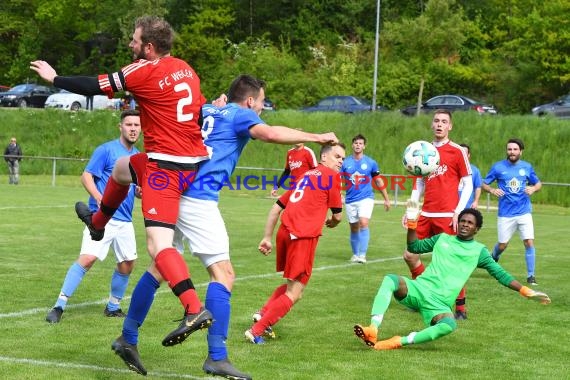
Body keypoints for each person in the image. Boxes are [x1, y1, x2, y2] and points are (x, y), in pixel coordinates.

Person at [111, 74, 338, 378]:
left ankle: (128, 336)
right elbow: (269, 134)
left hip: (173, 188)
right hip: (199, 198)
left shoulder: (206, 109)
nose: (260, 110)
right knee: (224, 274)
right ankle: (216, 356)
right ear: (249, 101)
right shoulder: (240, 114)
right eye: (260, 104)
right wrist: (316, 137)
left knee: (160, 267)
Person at [31, 16, 213, 348]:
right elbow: (197, 113)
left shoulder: (141, 71)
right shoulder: (186, 68)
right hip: (191, 162)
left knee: (159, 247)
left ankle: (193, 309)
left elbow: (93, 86)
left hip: (165, 168)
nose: (129, 44)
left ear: (148, 47)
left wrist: (54, 77)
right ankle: (98, 222)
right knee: (121, 168)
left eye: (133, 39)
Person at [353, 203, 551, 351]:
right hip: (419, 289)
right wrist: (412, 224)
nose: (465, 225)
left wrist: (526, 291)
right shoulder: (443, 238)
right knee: (391, 280)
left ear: (477, 229)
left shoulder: (479, 251)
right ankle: (373, 328)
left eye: (470, 223)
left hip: (439, 304)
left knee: (449, 325)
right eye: (463, 221)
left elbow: (500, 274)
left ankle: (398, 341)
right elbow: (414, 247)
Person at [45, 110, 141, 323]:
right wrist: (99, 197)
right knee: (87, 259)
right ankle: (59, 306)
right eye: (129, 125)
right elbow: (86, 176)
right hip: (101, 217)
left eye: (136, 125)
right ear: (121, 127)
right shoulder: (106, 150)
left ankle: (113, 306)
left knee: (127, 263)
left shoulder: (138, 156)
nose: (133, 129)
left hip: (125, 220)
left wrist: (139, 191)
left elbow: (133, 187)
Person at [246, 143, 346, 344]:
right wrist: (332, 223)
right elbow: (338, 215)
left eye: (343, 158)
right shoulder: (331, 176)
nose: (341, 162)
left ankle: (263, 314)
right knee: (295, 292)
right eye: (337, 157)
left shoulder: (305, 176)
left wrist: (267, 237)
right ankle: (257, 330)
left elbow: (276, 208)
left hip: (285, 232)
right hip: (302, 236)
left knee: (293, 287)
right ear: (324, 157)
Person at [402, 109, 473, 320]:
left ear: (450, 126)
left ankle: (460, 307)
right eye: (436, 121)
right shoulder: (424, 150)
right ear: (432, 125)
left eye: (444, 121)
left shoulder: (457, 151)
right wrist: (411, 210)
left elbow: (468, 183)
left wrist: (458, 212)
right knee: (410, 255)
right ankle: (423, 295)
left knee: (450, 263)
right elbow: (420, 181)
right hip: (425, 213)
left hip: (447, 215)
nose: (440, 124)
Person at [482, 138, 542, 286]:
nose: (512, 152)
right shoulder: (498, 167)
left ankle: (531, 276)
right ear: (506, 151)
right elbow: (483, 183)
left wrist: (533, 188)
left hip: (524, 211)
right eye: (509, 149)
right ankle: (493, 257)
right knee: (502, 245)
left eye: (515, 149)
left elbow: (538, 183)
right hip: (505, 214)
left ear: (520, 151)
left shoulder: (527, 167)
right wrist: (492, 190)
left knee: (529, 242)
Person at [341, 134, 391, 264]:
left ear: (364, 146)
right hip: (350, 199)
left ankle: (362, 255)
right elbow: (336, 180)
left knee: (363, 223)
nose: (358, 145)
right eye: (356, 143)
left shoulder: (371, 162)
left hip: (366, 198)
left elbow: (378, 181)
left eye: (360, 143)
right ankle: (355, 254)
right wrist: (337, 193)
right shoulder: (345, 162)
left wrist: (386, 198)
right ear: (352, 145)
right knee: (353, 228)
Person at [459, 143, 482, 209]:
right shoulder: (451, 169)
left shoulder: (474, 170)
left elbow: (478, 187)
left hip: (467, 206)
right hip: (452, 206)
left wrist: (476, 201)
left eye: (464, 153)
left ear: (468, 155)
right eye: (460, 153)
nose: (462, 155)